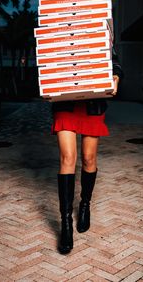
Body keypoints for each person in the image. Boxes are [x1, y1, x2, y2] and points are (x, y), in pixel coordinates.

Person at [51, 58, 123, 254]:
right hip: (65, 102)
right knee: (67, 158)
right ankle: (66, 224)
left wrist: (115, 77)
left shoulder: (97, 28)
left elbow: (114, 61)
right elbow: (45, 61)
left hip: (92, 102)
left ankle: (84, 204)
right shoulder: (58, 33)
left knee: (89, 158)